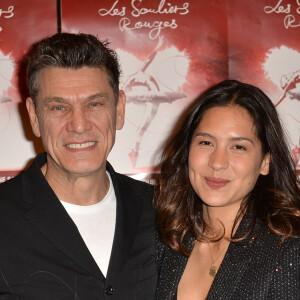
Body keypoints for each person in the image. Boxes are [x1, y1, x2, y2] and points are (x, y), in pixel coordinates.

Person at [0, 33, 157, 299]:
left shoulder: (163, 213)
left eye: (94, 104)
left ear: (119, 109)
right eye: (59, 108)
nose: (79, 125)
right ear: (34, 117)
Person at [154, 80, 300, 300]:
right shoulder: (164, 240)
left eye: (238, 147)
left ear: (265, 162)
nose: (217, 162)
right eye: (206, 143)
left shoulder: (287, 251)